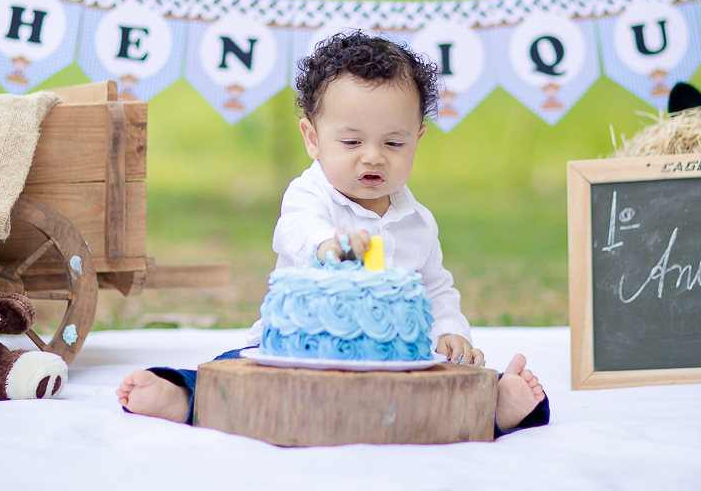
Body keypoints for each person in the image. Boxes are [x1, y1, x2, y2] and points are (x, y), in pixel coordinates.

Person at [118, 32, 549, 435]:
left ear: (418, 138)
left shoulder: (418, 221)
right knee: (240, 374)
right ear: (312, 137)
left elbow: (436, 290)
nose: (373, 157)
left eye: (394, 144)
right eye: (351, 143)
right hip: (299, 355)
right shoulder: (311, 197)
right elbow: (298, 231)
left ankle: (494, 409)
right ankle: (187, 398)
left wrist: (450, 330)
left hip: (394, 362)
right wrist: (329, 246)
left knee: (442, 388)